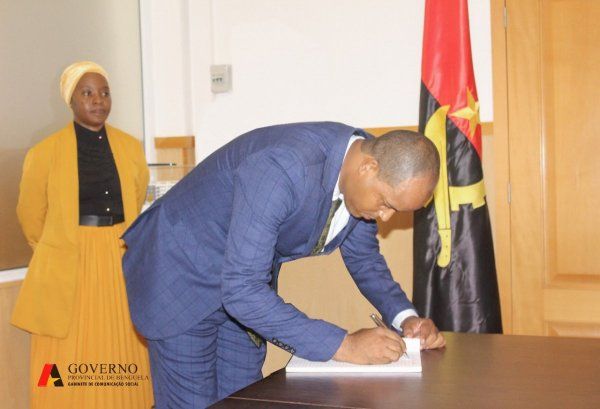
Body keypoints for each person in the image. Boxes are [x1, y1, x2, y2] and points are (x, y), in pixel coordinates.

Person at [122, 122, 446, 408]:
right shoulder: (283, 167)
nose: (386, 217)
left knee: (244, 398)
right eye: (386, 203)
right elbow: (242, 290)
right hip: (181, 277)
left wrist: (406, 318)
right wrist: (345, 346)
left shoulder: (364, 175)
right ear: (368, 168)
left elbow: (364, 259)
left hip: (239, 287)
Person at [12, 61, 154, 408]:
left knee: (121, 339)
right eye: (87, 93)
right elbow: (30, 215)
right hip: (67, 259)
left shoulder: (130, 148)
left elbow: (136, 197)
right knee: (65, 349)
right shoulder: (44, 153)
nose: (98, 100)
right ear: (71, 100)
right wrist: (54, 250)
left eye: (104, 93)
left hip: (118, 256)